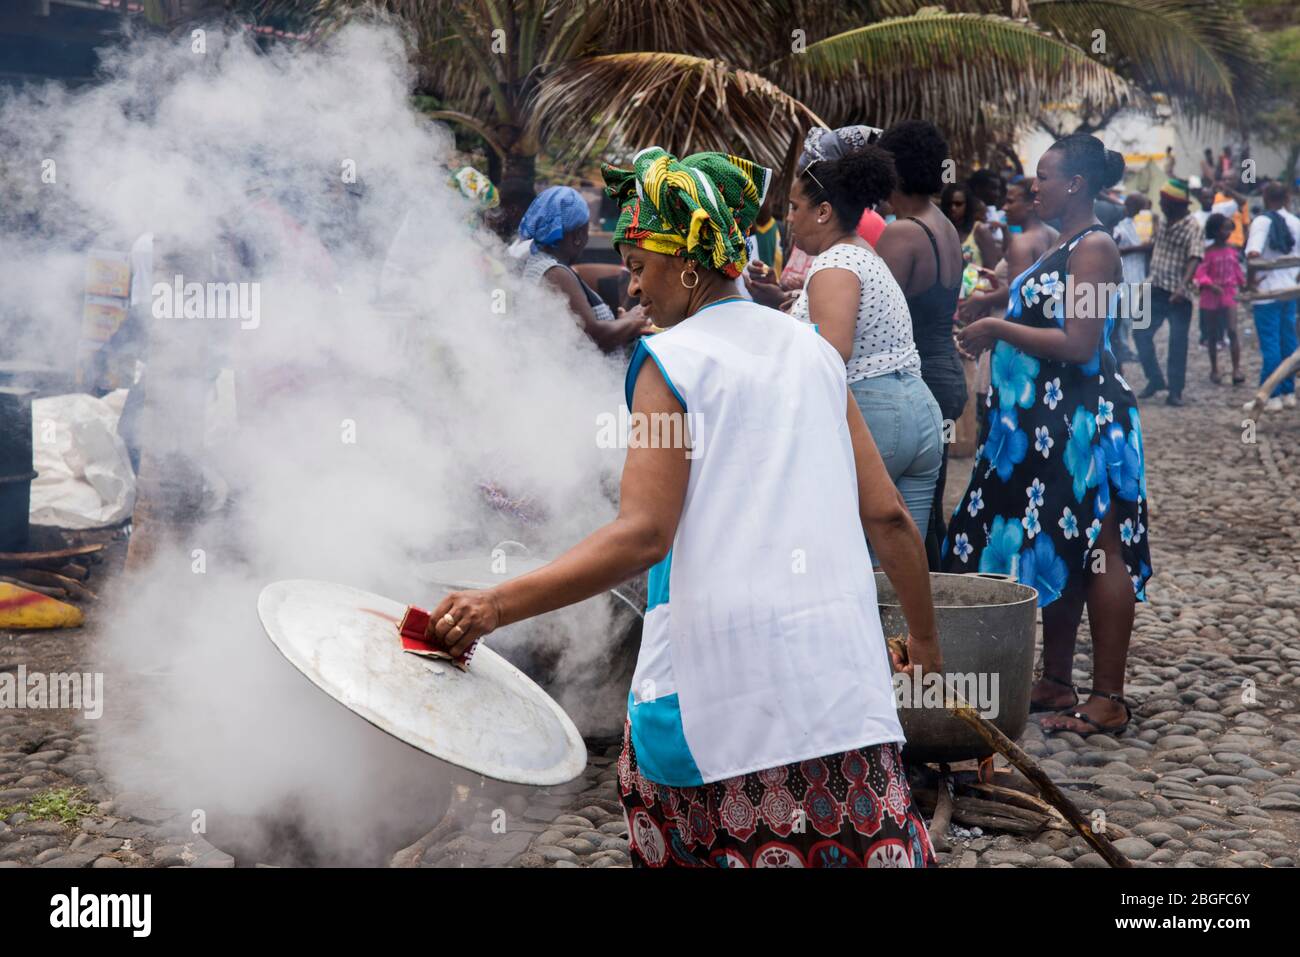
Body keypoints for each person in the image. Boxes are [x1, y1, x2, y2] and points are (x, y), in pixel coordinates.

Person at [426, 146, 940, 869]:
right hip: (839, 703)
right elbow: (887, 517)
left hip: (721, 704)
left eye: (641, 264)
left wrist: (494, 605)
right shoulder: (814, 353)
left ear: (690, 261)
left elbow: (643, 534)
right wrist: (925, 643)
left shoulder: (672, 362)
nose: (633, 284)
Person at [946, 133, 1151, 736]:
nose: (1032, 186)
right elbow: (1035, 299)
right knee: (1061, 540)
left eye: (1043, 175)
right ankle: (1057, 681)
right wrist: (997, 297)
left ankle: (1108, 696)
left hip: (1087, 423)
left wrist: (997, 330)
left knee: (1101, 546)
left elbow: (1081, 344)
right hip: (1043, 425)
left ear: (1076, 184)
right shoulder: (1063, 245)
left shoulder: (1096, 248)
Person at [786, 126, 943, 540]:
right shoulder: (865, 252)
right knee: (900, 558)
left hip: (874, 416)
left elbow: (830, 354)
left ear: (822, 212)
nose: (789, 218)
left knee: (855, 557)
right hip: (920, 415)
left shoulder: (834, 263)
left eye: (793, 207)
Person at [877, 119, 970, 569]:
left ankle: (925, 616)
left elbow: (870, 315)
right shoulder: (943, 226)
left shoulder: (903, 233)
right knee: (928, 508)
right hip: (944, 373)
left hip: (920, 382)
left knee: (910, 513)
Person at [517, 185, 651, 353]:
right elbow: (593, 337)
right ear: (578, 237)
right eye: (586, 231)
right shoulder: (555, 273)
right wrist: (633, 319)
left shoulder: (539, 263)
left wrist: (620, 323)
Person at [1134, 177, 1201, 406]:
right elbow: (1154, 247)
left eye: (1163, 200)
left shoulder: (1192, 226)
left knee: (1177, 342)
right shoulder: (1163, 221)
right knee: (1140, 333)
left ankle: (1175, 391)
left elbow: (1195, 258)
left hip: (1179, 295)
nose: (1160, 204)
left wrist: (1182, 287)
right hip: (1156, 287)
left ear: (1175, 203)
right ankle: (1155, 379)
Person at [1244, 181, 1300, 411]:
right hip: (1290, 291)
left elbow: (1253, 254)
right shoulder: (1296, 222)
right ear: (1287, 197)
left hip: (1267, 292)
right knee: (1289, 341)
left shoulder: (1262, 221)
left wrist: (1250, 282)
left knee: (1270, 344)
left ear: (1265, 197)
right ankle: (1288, 392)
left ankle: (1271, 394)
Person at [1194, 213, 1246, 385]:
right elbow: (1200, 274)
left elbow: (1238, 272)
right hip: (1210, 296)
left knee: (1232, 330)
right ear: (1215, 231)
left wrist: (1246, 284)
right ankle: (1214, 368)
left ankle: (1236, 368)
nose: (1227, 232)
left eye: (1229, 228)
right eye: (1224, 229)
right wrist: (1209, 284)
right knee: (1212, 334)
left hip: (1229, 293)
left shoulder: (1232, 250)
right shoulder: (1207, 253)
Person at [1111, 193, 1151, 364]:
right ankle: (1125, 348)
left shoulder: (1141, 226)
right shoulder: (1119, 227)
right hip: (1127, 274)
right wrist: (1139, 248)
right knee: (1127, 316)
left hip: (1139, 274)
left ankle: (1133, 348)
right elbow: (1114, 249)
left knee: (1138, 315)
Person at [940, 183, 1002, 268]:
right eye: (949, 204)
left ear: (967, 205)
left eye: (958, 204)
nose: (953, 208)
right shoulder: (941, 231)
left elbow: (992, 268)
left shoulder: (979, 230)